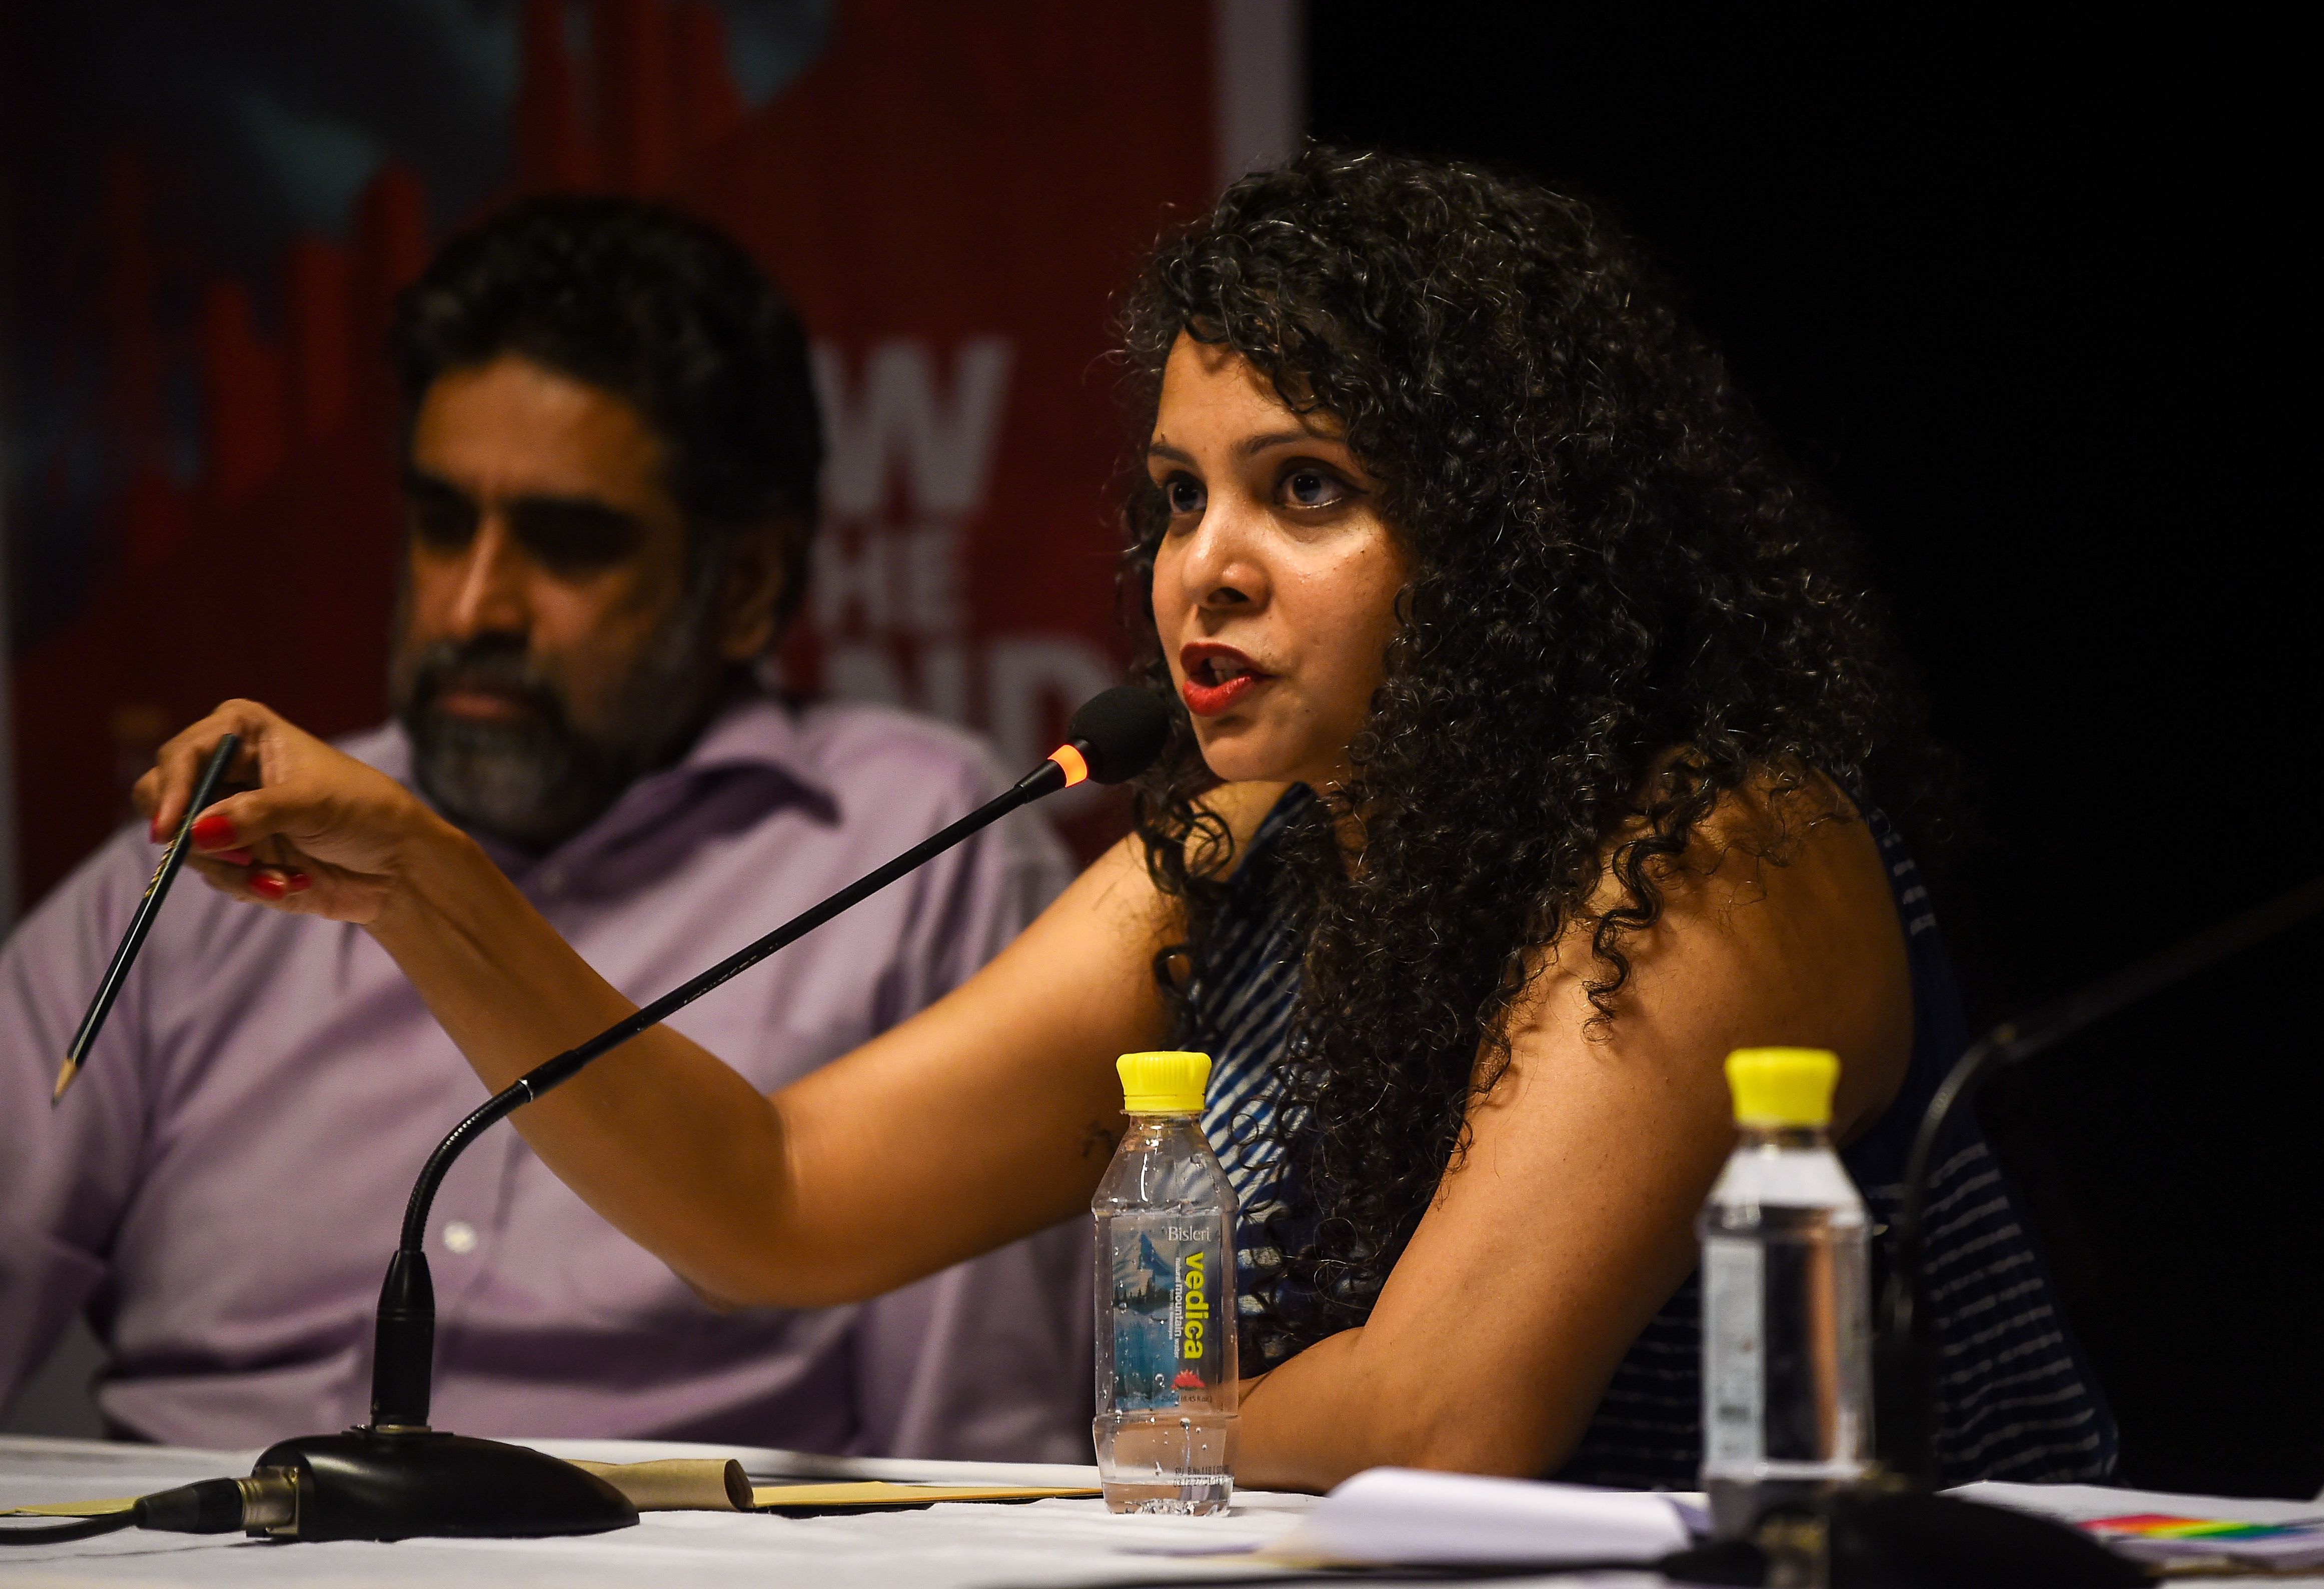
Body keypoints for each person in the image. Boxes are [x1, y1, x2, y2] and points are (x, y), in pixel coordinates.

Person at [131, 151, 2119, 1489]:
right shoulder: (1241, 860)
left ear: (1509, 550)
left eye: (1302, 492)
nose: (1203, 573)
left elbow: (1442, 1413)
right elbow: (777, 1197)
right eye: (1177, 498)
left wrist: (1100, 1458)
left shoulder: (1718, 845)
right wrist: (426, 886)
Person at [0, 196, 1090, 1459]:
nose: (473, 605)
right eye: (443, 521)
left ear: (742, 585)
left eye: (567, 544)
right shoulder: (233, 846)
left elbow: (964, 1471)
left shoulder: (916, 849)